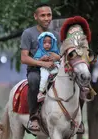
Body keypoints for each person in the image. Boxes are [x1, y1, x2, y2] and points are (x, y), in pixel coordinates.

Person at [20, 3, 60, 131]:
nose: (47, 18)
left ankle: (76, 118)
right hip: (35, 70)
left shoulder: (56, 35)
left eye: (49, 15)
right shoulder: (28, 33)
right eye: (43, 15)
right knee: (34, 81)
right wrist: (42, 63)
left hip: (54, 68)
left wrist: (55, 57)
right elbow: (24, 58)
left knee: (73, 81)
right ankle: (34, 116)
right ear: (35, 16)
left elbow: (60, 55)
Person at [33, 32, 60, 102]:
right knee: (44, 78)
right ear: (41, 43)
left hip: (54, 67)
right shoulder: (40, 51)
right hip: (45, 68)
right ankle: (40, 92)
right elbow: (36, 60)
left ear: (53, 44)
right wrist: (42, 58)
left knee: (61, 72)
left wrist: (55, 60)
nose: (47, 44)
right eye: (44, 43)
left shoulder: (55, 51)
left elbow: (59, 59)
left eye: (49, 43)